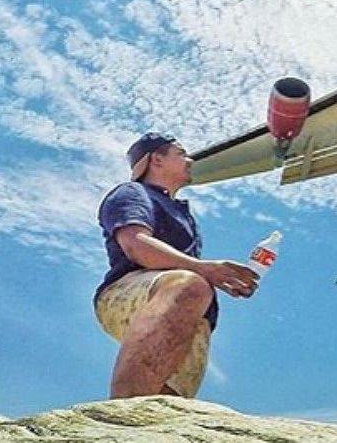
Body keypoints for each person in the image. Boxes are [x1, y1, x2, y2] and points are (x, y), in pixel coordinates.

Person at [93, 132, 260, 398]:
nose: (190, 160)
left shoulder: (182, 214)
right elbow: (136, 245)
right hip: (132, 292)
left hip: (193, 314)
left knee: (168, 401)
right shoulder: (133, 193)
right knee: (189, 283)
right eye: (181, 153)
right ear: (156, 160)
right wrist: (205, 270)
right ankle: (119, 418)